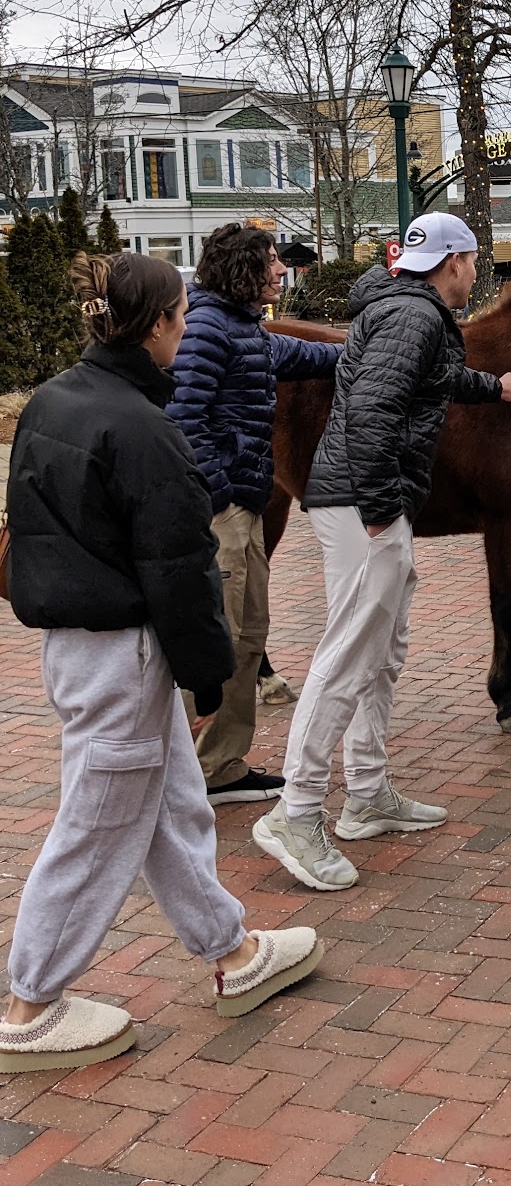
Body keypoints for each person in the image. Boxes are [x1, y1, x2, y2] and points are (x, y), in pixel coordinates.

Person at [2, 252, 323, 1073]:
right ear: (156, 326)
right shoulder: (146, 430)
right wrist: (209, 674)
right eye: (181, 313)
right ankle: (30, 1006)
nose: (187, 324)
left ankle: (232, 950)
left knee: (175, 805)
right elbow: (180, 569)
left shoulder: (55, 399)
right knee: (98, 825)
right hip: (123, 654)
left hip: (79, 648)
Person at [252, 213, 511, 891]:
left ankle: (368, 793)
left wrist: (493, 387)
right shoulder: (414, 315)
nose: (474, 272)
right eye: (473, 260)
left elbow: (426, 379)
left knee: (381, 649)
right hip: (367, 504)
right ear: (454, 261)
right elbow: (374, 410)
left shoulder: (403, 308)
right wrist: (382, 508)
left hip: (364, 500)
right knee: (349, 656)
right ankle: (296, 813)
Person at [165, 223, 341, 806]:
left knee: (247, 636)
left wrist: (369, 346)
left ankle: (221, 767)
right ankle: (185, 774)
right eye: (271, 261)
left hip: (244, 502)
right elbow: (182, 422)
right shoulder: (207, 329)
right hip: (224, 511)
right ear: (243, 268)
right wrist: (221, 495)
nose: (281, 269)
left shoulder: (241, 327)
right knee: (219, 637)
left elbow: (305, 355)